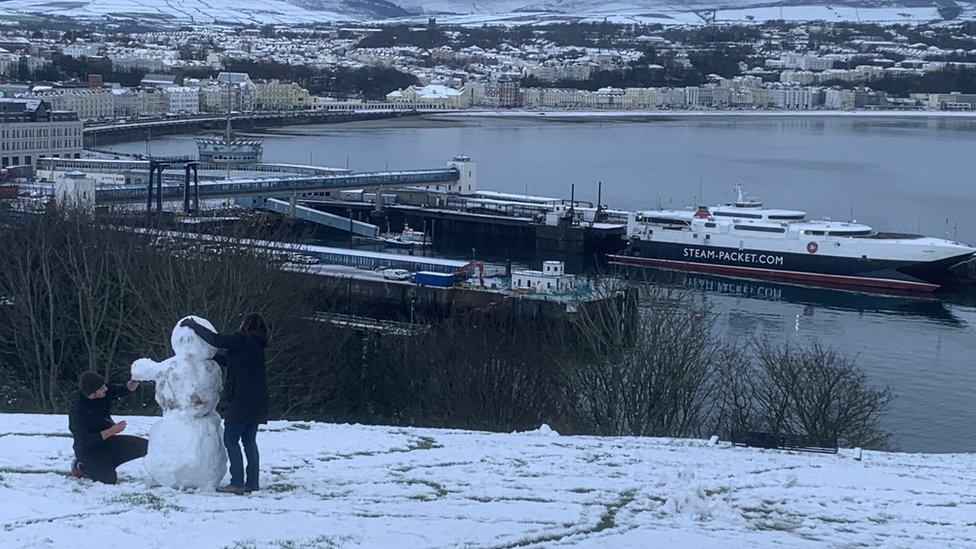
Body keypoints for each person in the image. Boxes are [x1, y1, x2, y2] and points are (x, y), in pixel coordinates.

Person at [181, 312, 269, 495]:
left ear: (246, 324)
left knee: (231, 440)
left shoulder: (241, 339)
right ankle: (252, 482)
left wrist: (193, 325)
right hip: (258, 400)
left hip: (241, 400)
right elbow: (234, 361)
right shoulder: (258, 344)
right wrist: (212, 359)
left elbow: (216, 340)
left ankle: (237, 482)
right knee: (249, 442)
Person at [68, 371, 147, 485]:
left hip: (107, 442)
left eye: (104, 385)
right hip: (89, 451)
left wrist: (135, 379)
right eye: (102, 387)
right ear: (93, 393)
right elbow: (84, 440)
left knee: (146, 446)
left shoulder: (103, 392)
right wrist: (112, 430)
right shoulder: (78, 411)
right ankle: (82, 466)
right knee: (109, 480)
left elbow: (125, 389)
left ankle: (109, 463)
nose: (106, 388)